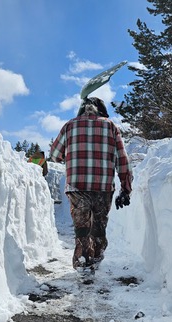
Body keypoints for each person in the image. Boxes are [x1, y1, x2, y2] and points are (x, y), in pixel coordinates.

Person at [49, 96, 132, 272]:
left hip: (77, 186)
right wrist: (126, 188)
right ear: (102, 111)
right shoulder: (110, 126)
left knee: (82, 227)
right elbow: (122, 159)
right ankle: (95, 258)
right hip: (103, 187)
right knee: (99, 226)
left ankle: (82, 260)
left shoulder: (69, 125)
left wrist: (71, 154)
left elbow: (55, 155)